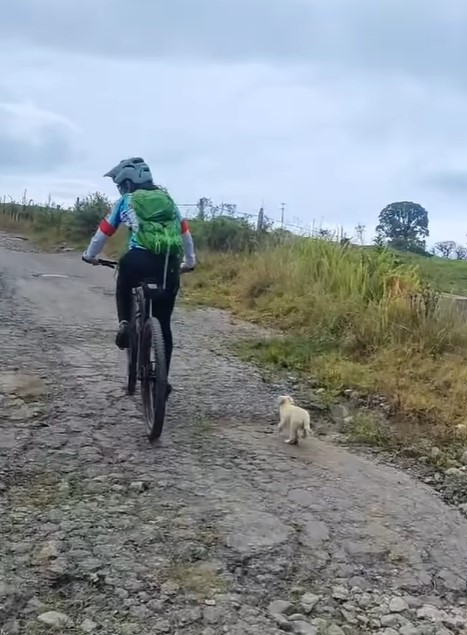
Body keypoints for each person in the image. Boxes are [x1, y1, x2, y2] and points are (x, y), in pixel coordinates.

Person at [82, 157, 196, 384]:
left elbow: (104, 231)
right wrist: (189, 262)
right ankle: (162, 381)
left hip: (138, 260)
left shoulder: (126, 201)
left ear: (127, 183)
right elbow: (186, 235)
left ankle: (124, 323)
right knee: (163, 324)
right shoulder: (169, 201)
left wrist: (90, 255)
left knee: (124, 275)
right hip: (168, 265)